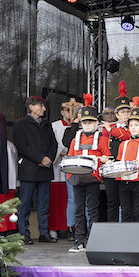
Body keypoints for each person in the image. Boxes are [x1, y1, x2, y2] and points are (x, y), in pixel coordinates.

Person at [63, 94, 111, 252]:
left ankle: (93, 240)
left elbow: (107, 156)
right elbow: (70, 157)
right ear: (81, 123)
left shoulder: (101, 138)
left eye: (90, 122)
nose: (88, 125)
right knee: (78, 209)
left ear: (97, 123)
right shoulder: (75, 138)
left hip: (92, 178)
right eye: (85, 122)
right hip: (77, 177)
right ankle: (79, 240)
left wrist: (104, 159)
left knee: (92, 209)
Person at [12, 96, 59, 245]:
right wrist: (40, 159)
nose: (44, 109)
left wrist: (49, 158)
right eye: (41, 106)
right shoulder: (20, 124)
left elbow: (54, 144)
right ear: (31, 107)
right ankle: (23, 234)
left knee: (44, 204)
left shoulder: (47, 124)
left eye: (44, 106)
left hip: (45, 170)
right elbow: (22, 146)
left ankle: (43, 233)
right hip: (29, 170)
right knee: (25, 203)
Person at [115, 102, 139, 222]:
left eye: (136, 125)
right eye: (131, 125)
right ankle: (126, 232)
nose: (133, 128)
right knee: (125, 210)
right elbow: (119, 161)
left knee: (138, 209)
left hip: (138, 181)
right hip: (123, 181)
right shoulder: (123, 144)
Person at [102, 82, 133, 222]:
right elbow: (103, 145)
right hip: (112, 167)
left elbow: (127, 136)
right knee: (112, 201)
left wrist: (111, 130)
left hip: (127, 168)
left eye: (128, 112)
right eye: (123, 112)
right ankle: (112, 228)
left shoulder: (133, 126)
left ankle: (127, 228)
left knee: (126, 202)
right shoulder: (108, 128)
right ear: (117, 114)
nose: (126, 114)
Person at [51, 97, 80, 240]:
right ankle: (61, 228)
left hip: (78, 165)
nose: (72, 113)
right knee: (66, 199)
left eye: (75, 110)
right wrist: (62, 152)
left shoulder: (84, 126)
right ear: (62, 112)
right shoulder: (55, 126)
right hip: (59, 165)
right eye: (69, 110)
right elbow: (56, 144)